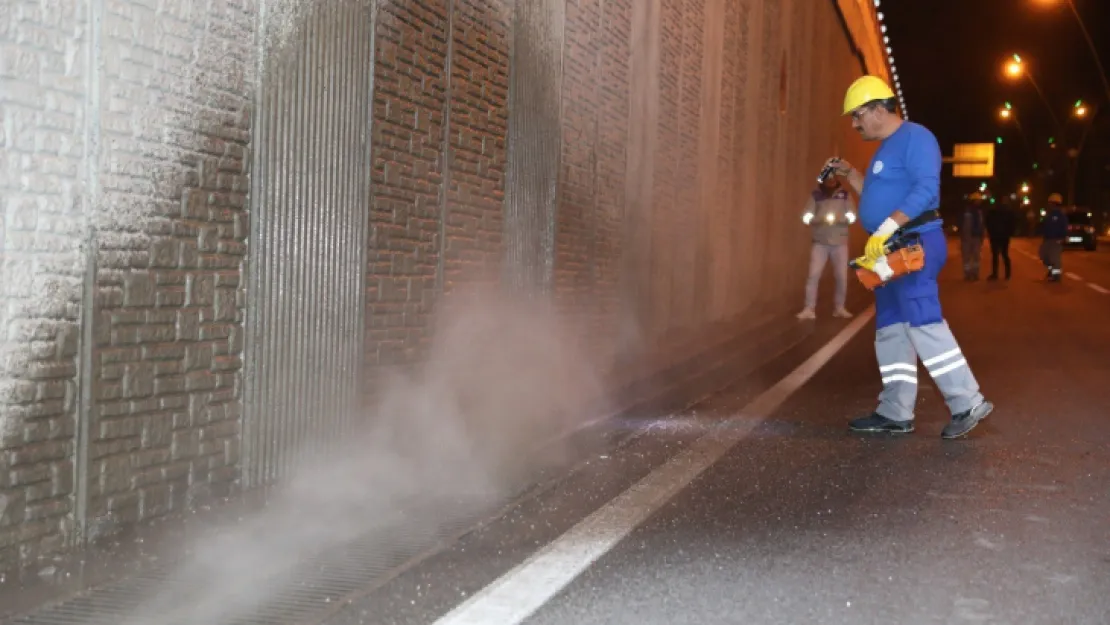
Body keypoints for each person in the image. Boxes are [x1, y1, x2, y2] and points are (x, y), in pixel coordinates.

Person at [823, 75, 993, 440]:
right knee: (891, 328)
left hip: (913, 242)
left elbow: (926, 189)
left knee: (923, 321)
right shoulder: (886, 148)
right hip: (890, 248)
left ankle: (967, 401)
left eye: (857, 115)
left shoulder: (916, 137)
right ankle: (895, 412)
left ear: (878, 109)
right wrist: (850, 173)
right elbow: (875, 193)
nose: (855, 124)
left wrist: (885, 227)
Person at [796, 176, 856, 320]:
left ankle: (839, 307)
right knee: (813, 275)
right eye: (827, 177)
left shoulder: (845, 195)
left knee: (841, 276)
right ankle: (809, 308)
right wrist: (819, 219)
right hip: (820, 241)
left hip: (840, 241)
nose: (830, 180)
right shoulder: (816, 195)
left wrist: (840, 218)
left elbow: (853, 216)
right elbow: (806, 216)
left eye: (832, 177)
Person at [984, 197, 1015, 281]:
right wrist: (1010, 232)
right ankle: (1007, 274)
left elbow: (988, 222)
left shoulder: (992, 211)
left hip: (995, 235)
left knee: (995, 255)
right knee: (1004, 254)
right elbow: (1012, 223)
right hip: (1004, 236)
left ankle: (995, 274)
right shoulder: (1008, 211)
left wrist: (990, 231)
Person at [1040, 193, 1068, 282]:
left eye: (1051, 203)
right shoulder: (1049, 215)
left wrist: (1062, 237)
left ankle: (1056, 276)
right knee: (1043, 255)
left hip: (1057, 239)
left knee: (1054, 258)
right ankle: (1052, 271)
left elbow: (1064, 227)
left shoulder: (1060, 215)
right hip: (1048, 239)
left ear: (1055, 203)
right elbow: (1045, 226)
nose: (1049, 205)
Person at [959, 193, 985, 281]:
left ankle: (974, 273)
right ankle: (969, 274)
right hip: (969, 237)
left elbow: (981, 225)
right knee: (968, 257)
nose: (979, 202)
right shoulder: (968, 211)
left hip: (974, 237)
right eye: (978, 200)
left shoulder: (978, 212)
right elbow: (964, 225)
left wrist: (981, 236)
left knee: (975, 257)